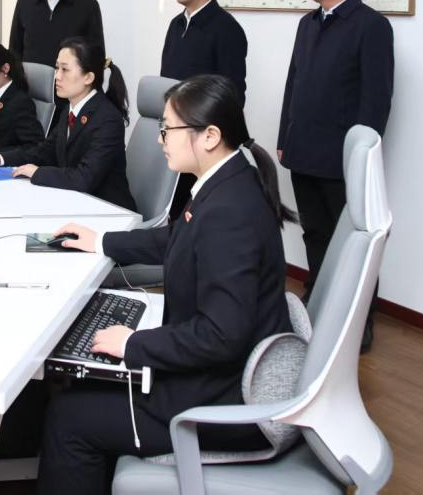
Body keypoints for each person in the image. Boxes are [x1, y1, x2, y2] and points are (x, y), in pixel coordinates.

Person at [38, 74, 294, 494]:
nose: (160, 140)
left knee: (69, 419)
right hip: (215, 377)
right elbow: (176, 238)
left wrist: (134, 344)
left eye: (168, 129)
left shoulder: (229, 212)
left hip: (219, 401)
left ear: (210, 136)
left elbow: (221, 335)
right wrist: (100, 241)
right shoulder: (226, 182)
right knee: (79, 381)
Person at [277, 0, 394, 313]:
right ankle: (319, 302)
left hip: (342, 159)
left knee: (353, 242)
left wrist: (361, 157)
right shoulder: (307, 24)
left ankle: (359, 319)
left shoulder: (371, 26)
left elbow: (377, 100)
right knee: (315, 234)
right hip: (303, 149)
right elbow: (293, 84)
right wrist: (284, 136)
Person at [0, 36, 135, 210]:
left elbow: (84, 178)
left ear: (88, 78)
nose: (57, 76)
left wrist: (37, 172)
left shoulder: (107, 119)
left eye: (65, 70)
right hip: (76, 201)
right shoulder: (70, 109)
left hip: (108, 210)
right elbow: (43, 151)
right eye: (57, 68)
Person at [160, 0, 247, 100]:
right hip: (174, 111)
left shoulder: (227, 28)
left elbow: (233, 92)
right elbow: (165, 77)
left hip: (204, 114)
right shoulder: (176, 24)